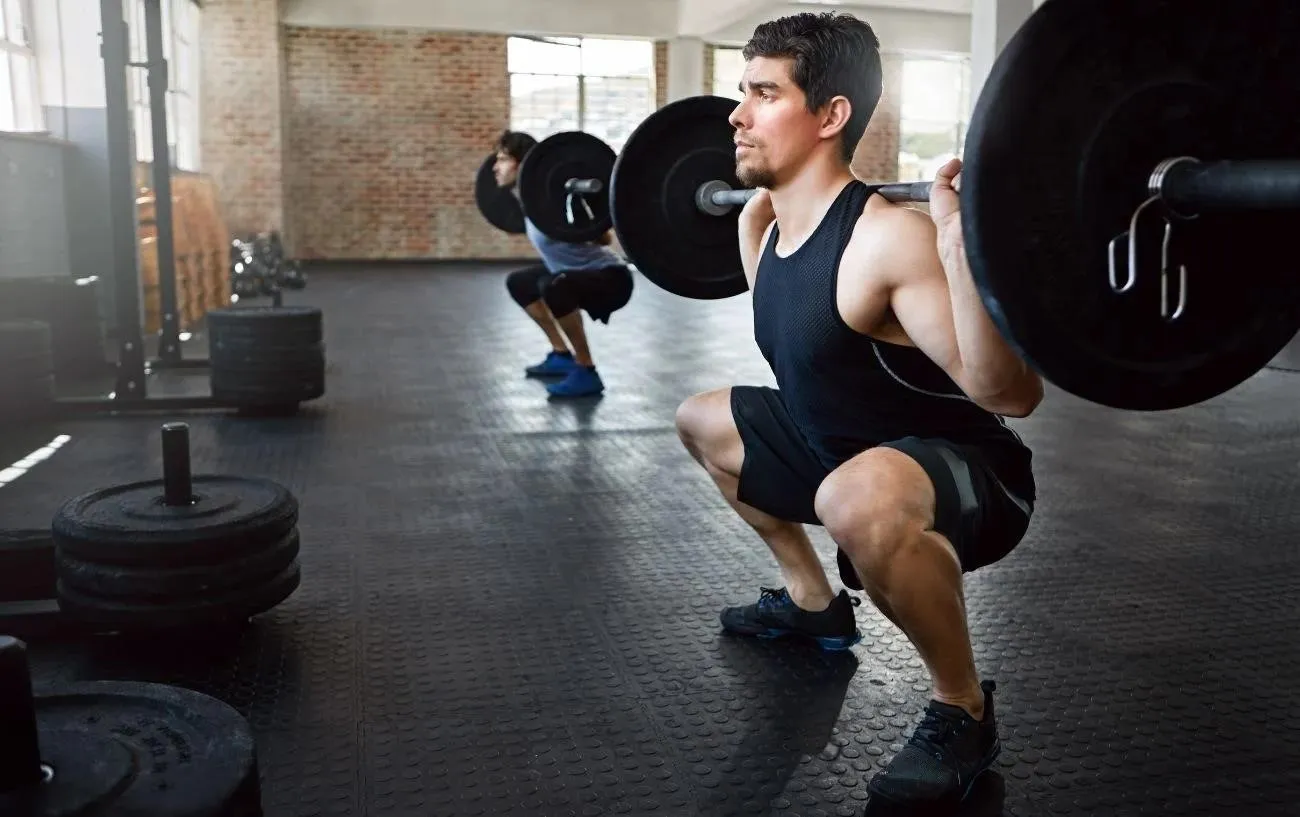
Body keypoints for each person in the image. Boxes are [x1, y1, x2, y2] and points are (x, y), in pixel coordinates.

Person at [672, 12, 1043, 810]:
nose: (736, 113)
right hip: (842, 448)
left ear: (831, 116)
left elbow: (1013, 395)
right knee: (703, 417)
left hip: (973, 475)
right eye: (743, 91)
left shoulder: (887, 240)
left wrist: (952, 242)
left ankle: (962, 707)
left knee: (855, 497)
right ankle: (814, 603)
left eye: (764, 93)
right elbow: (807, 368)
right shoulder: (760, 224)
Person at [492, 130, 634, 398]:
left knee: (554, 285)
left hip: (611, 278)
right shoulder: (527, 199)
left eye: (502, 159)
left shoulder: (555, 199)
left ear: (522, 165)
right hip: (571, 274)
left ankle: (587, 370)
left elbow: (603, 237)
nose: (495, 167)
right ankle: (561, 355)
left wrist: (579, 212)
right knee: (519, 283)